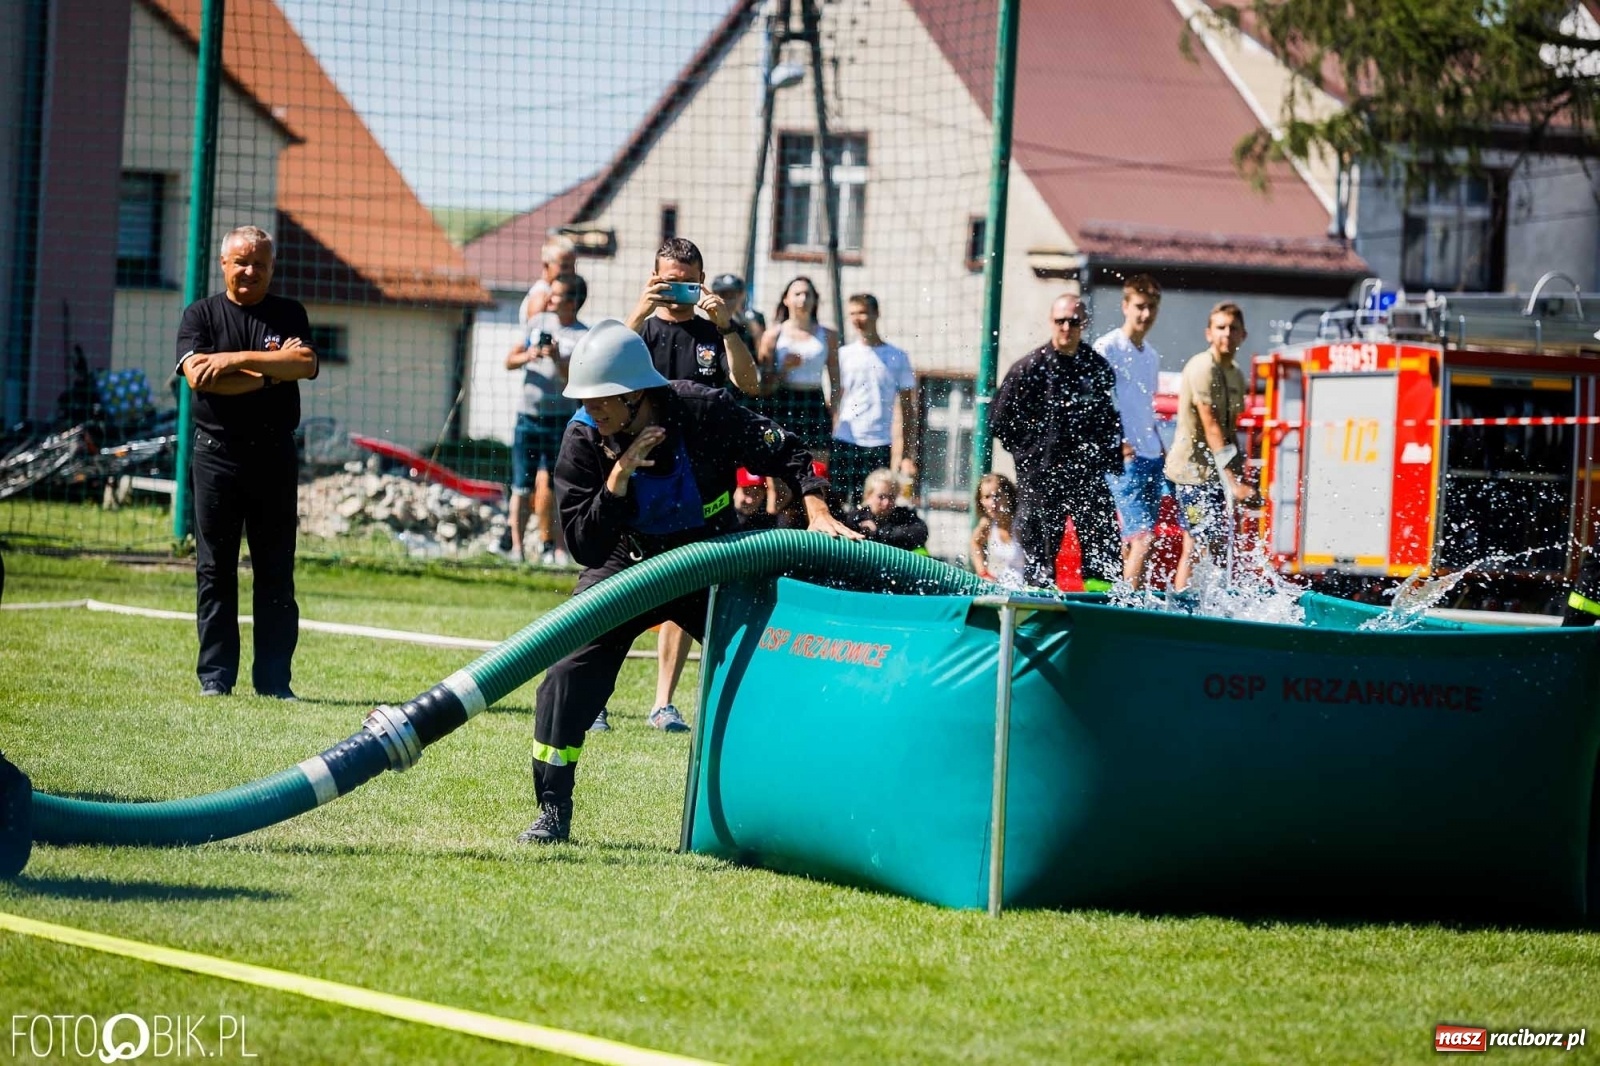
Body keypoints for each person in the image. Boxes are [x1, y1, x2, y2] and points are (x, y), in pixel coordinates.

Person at [519, 319, 859, 843]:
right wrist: (616, 482)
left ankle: (798, 802)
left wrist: (815, 508)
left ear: (637, 393)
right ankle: (552, 810)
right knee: (566, 673)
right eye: (585, 399)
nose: (593, 409)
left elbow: (786, 449)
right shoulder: (584, 436)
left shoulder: (700, 408)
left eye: (604, 399)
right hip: (626, 563)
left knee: (770, 665)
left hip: (711, 560)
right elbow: (583, 544)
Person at [616, 239, 760, 734]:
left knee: (690, 586)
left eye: (687, 281)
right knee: (615, 593)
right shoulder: (639, 330)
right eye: (668, 280)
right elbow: (603, 375)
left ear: (702, 278)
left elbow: (750, 384)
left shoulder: (714, 331)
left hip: (704, 485)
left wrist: (729, 328)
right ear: (654, 277)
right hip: (643, 481)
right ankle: (595, 701)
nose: (677, 291)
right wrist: (638, 310)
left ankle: (663, 704)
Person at [176, 225, 319, 698]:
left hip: (274, 456)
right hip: (215, 457)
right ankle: (216, 679)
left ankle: (275, 683)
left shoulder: (288, 313)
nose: (250, 271)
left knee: (276, 570)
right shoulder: (199, 315)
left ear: (272, 268)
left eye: (259, 263)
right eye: (241, 261)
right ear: (224, 265)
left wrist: (235, 362)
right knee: (215, 569)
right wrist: (268, 371)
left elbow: (303, 365)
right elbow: (200, 377)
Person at [989, 293, 1123, 591]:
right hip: (1041, 478)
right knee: (1040, 555)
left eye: (1073, 321)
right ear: (1051, 322)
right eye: (1061, 321)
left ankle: (1100, 608)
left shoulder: (1096, 368)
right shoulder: (1029, 368)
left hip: (1086, 475)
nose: (1066, 327)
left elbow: (1111, 420)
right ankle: (1038, 612)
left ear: (1083, 324)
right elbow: (998, 420)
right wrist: (1029, 455)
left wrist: (1108, 459)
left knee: (1103, 547)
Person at [1165, 302, 1253, 589]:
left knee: (1219, 548)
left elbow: (1230, 432)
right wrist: (1234, 483)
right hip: (1192, 475)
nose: (1226, 334)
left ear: (1244, 335)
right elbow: (1211, 426)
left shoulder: (1236, 373)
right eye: (1220, 327)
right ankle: (1181, 608)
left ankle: (1213, 606)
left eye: (1233, 328)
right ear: (1208, 333)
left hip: (1215, 475)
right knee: (1196, 544)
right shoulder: (1203, 366)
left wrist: (1241, 476)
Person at [505, 272, 588, 565]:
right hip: (529, 416)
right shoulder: (537, 323)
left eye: (557, 295)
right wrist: (529, 354)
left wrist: (556, 358)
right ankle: (516, 549)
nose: (549, 299)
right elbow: (509, 361)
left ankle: (559, 550)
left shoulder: (583, 336)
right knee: (521, 485)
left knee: (557, 486)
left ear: (574, 301)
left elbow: (576, 379)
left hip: (561, 420)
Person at [1093, 274, 1168, 589]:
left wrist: (1161, 446)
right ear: (1125, 306)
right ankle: (1129, 608)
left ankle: (1124, 596)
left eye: (1151, 307)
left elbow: (1144, 406)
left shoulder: (1150, 355)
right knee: (1143, 538)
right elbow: (1095, 403)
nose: (1145, 315)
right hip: (1125, 459)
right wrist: (1115, 442)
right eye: (1139, 306)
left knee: (1136, 539)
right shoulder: (1107, 347)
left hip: (1152, 455)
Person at [833, 293, 918, 509]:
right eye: (852, 313)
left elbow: (907, 409)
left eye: (862, 312)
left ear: (876, 314)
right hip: (845, 440)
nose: (857, 319)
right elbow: (833, 401)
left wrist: (906, 454)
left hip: (879, 443)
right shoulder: (843, 355)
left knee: (874, 505)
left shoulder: (897, 356)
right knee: (839, 503)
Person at [757, 276, 840, 453]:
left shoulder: (829, 336)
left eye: (808, 294)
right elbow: (763, 386)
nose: (803, 299)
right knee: (779, 465)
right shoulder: (773, 336)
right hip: (783, 402)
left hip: (814, 403)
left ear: (815, 299)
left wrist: (834, 414)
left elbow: (836, 382)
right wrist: (784, 369)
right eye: (797, 294)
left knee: (816, 467)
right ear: (786, 299)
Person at [847, 468, 928, 552]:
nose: (886, 502)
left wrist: (879, 532)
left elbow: (921, 533)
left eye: (891, 497)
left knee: (920, 550)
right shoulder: (857, 517)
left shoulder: (904, 515)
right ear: (868, 496)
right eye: (881, 496)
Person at [970, 472, 1025, 586]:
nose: (992, 503)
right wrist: (983, 573)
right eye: (987, 497)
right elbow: (975, 543)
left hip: (1027, 589)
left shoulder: (1021, 524)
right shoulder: (987, 524)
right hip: (999, 590)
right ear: (980, 501)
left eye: (997, 496)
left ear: (1009, 496)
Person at [517, 236, 577, 325]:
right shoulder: (541, 296)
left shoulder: (555, 290)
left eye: (573, 265)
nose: (570, 271)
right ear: (546, 265)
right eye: (564, 266)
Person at [709, 272, 766, 366]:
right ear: (714, 294)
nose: (728, 300)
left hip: (748, 369)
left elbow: (762, 356)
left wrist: (751, 325)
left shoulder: (755, 318)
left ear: (742, 294)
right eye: (723, 294)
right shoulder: (710, 320)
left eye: (732, 295)